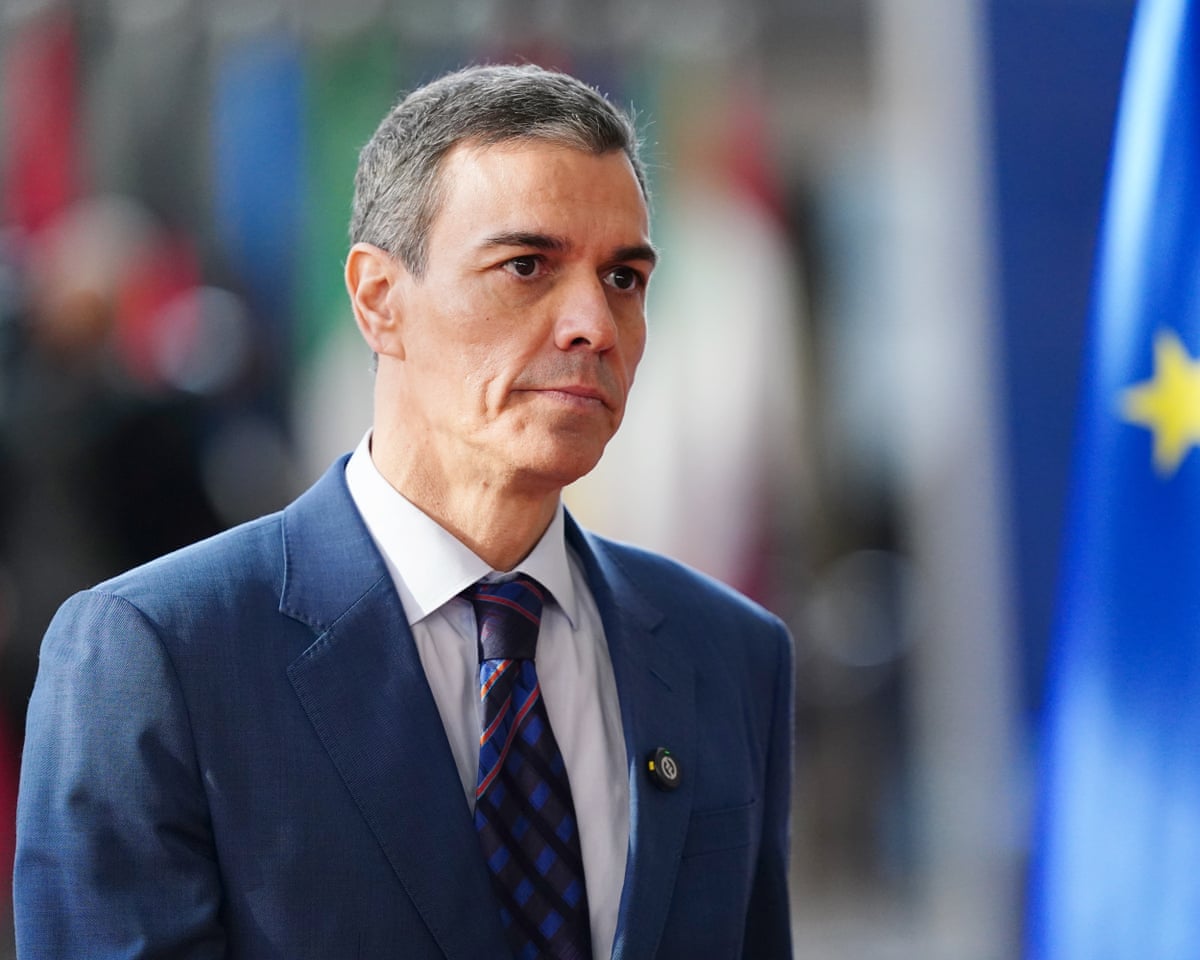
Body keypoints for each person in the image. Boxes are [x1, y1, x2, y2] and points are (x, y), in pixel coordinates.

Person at [14, 63, 795, 959]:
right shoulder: (157, 655)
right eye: (527, 266)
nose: (594, 323)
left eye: (623, 277)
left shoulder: (727, 654)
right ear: (380, 301)